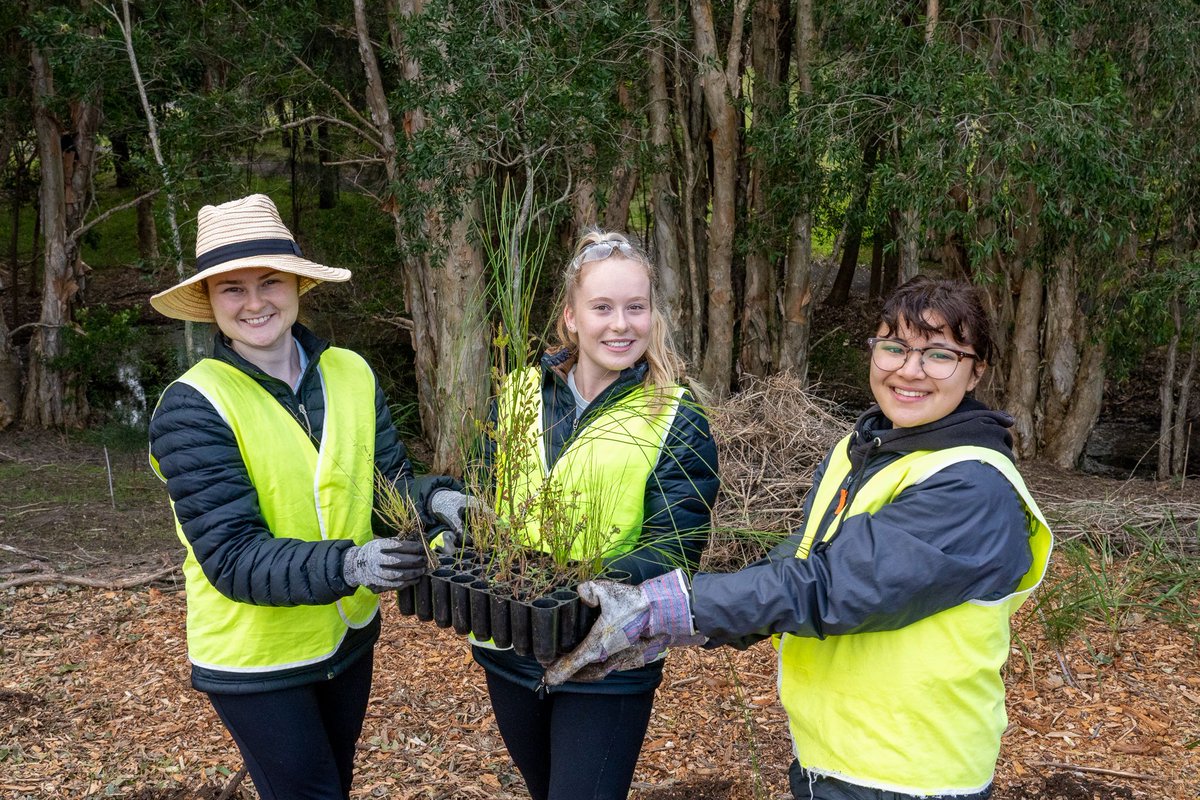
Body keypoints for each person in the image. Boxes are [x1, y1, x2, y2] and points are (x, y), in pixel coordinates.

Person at [547, 276, 1054, 800]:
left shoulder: (972, 484)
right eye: (895, 347)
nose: (909, 370)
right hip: (832, 758)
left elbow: (830, 588)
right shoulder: (864, 450)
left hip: (911, 775)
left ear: (976, 372)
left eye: (940, 355)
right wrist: (694, 624)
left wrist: (674, 606)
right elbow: (800, 557)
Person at [148, 194, 475, 800]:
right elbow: (233, 556)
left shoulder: (350, 371)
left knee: (335, 782)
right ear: (210, 303)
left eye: (270, 281)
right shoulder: (192, 407)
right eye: (231, 289)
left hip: (346, 636)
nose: (254, 303)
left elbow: (385, 486)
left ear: (297, 284)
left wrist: (432, 501)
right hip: (257, 656)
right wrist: (353, 564)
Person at [473, 230, 720, 800]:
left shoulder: (676, 416)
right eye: (602, 307)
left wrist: (579, 587)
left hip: (608, 657)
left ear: (653, 315)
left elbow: (675, 544)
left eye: (636, 307)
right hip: (510, 647)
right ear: (570, 318)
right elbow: (483, 507)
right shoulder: (516, 395)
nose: (620, 324)